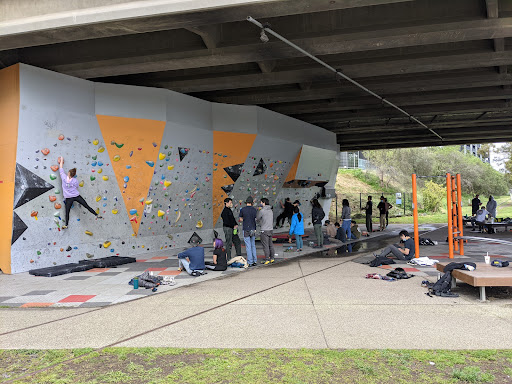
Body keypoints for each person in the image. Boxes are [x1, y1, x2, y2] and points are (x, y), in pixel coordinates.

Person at [58, 156, 101, 229]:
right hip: (76, 196)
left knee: (67, 211)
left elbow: (61, 167)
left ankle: (66, 224)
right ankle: (96, 214)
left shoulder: (63, 177)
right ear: (74, 175)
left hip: (68, 198)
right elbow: (77, 186)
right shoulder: (75, 180)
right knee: (86, 205)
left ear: (68, 173)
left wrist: (61, 159)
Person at [239, 196, 258, 267]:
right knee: (253, 245)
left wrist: (244, 219)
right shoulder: (254, 210)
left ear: (246, 202)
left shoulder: (243, 209)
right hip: (253, 228)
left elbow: (240, 219)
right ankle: (255, 260)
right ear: (252, 203)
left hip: (246, 228)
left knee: (248, 246)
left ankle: (250, 262)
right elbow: (256, 218)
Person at [257, 198, 275, 265]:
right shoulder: (270, 210)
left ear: (263, 203)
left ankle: (267, 259)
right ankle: (272, 258)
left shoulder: (262, 211)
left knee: (265, 245)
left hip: (264, 230)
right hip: (270, 229)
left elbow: (258, 218)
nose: (260, 204)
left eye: (261, 202)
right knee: (271, 245)